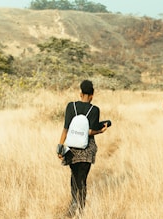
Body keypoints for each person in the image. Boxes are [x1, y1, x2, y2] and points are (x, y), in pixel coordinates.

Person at [57, 80, 108, 218]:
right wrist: (100, 131)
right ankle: (81, 207)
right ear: (92, 95)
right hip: (86, 149)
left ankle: (74, 202)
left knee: (74, 177)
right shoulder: (94, 109)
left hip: (72, 149)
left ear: (80, 93)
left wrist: (60, 147)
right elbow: (90, 131)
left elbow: (65, 128)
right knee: (83, 179)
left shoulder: (71, 106)